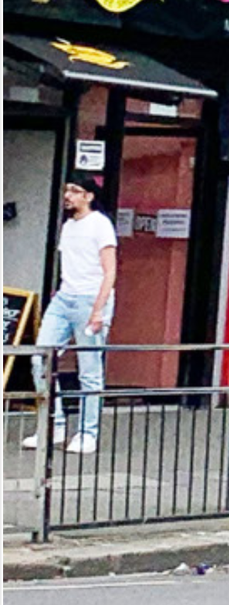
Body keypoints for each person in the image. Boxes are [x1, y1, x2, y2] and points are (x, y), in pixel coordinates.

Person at [27, 175, 116, 455]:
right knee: (40, 357)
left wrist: (99, 309)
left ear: (89, 196)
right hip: (65, 298)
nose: (68, 196)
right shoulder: (68, 226)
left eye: (75, 191)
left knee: (90, 370)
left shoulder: (100, 224)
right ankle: (54, 425)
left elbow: (110, 269)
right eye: (67, 190)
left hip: (91, 299)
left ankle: (88, 433)